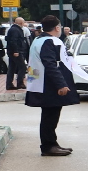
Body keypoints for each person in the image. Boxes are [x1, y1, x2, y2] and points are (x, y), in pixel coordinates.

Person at [23, 18, 76, 156]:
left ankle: (52, 143)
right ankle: (48, 146)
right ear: (57, 28)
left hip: (39, 81)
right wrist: (61, 84)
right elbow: (50, 64)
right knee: (50, 116)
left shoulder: (38, 40)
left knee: (50, 115)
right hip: (47, 83)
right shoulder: (49, 41)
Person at [3, 16, 28, 90]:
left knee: (12, 67)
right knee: (23, 67)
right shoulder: (16, 30)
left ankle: (9, 84)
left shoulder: (13, 29)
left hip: (11, 51)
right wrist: (16, 51)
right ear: (21, 23)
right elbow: (14, 41)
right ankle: (20, 83)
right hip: (16, 52)